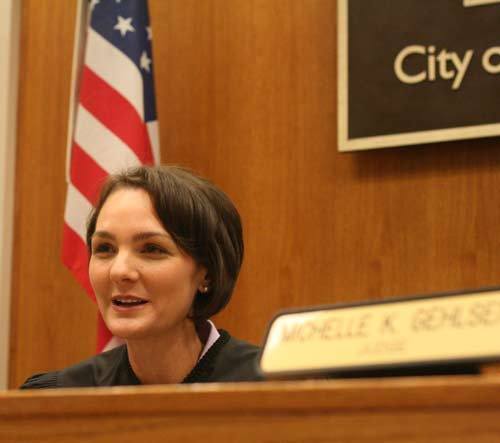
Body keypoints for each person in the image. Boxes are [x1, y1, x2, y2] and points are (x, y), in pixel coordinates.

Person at [21, 165, 261, 388]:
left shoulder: (274, 388)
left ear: (206, 273)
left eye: (152, 249)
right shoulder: (56, 400)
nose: (119, 271)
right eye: (105, 248)